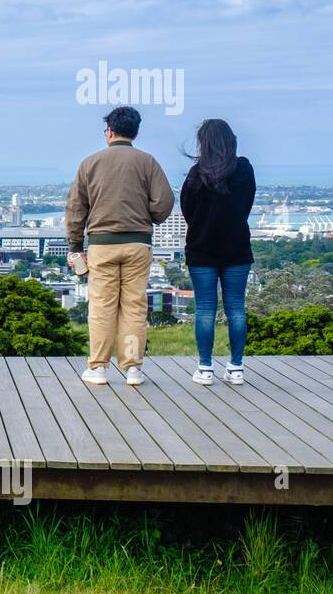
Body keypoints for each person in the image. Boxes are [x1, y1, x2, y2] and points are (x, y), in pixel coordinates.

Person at [65, 106, 174, 386]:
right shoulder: (148, 162)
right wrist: (146, 215)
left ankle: (99, 367)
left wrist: (76, 245)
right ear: (135, 132)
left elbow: (76, 208)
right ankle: (133, 369)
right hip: (138, 244)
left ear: (109, 131)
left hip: (102, 245)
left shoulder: (90, 163)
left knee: (102, 306)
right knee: (134, 307)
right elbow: (163, 203)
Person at [180, 119, 255, 386]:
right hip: (237, 248)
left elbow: (188, 211)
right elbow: (246, 205)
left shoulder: (195, 174)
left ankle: (205, 367)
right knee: (236, 308)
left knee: (205, 309)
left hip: (202, 249)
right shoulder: (244, 169)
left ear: (204, 142)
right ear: (230, 140)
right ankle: (236, 367)